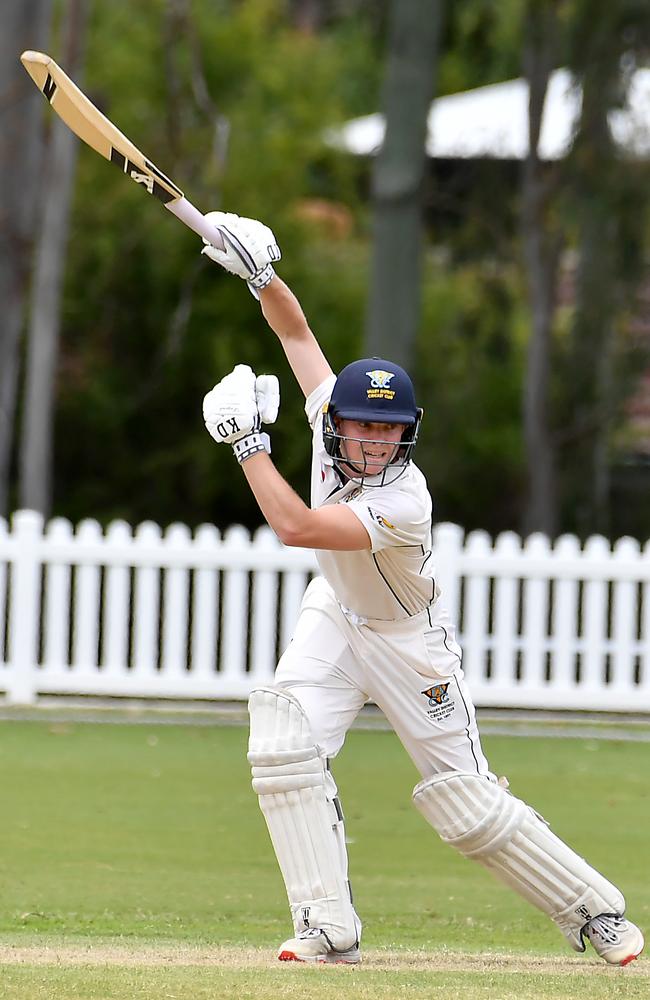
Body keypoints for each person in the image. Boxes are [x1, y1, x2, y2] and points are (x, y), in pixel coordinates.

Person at [200, 211, 644, 967]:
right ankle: (326, 925)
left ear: (406, 432)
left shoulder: (405, 502)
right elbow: (299, 338)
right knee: (281, 740)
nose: (374, 442)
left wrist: (248, 446)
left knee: (464, 804)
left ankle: (593, 910)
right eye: (361, 427)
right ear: (335, 421)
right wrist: (264, 277)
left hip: (410, 641)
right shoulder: (325, 420)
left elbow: (299, 528)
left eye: (389, 429)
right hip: (337, 616)